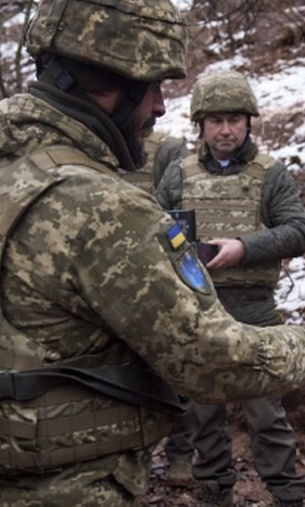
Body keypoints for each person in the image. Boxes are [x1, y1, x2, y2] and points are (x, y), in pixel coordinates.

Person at [0, 0, 305, 506]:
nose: (159, 107)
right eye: (154, 86)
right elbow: (206, 359)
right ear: (111, 81)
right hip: (76, 486)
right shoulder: (98, 205)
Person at [157, 69, 305, 507]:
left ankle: (287, 495)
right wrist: (179, 246)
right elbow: (157, 227)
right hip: (200, 309)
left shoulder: (270, 174)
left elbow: (298, 231)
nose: (225, 130)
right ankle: (212, 494)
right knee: (204, 416)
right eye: (216, 120)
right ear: (200, 125)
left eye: (234, 120)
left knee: (266, 414)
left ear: (248, 123)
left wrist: (244, 248)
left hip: (255, 311)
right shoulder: (178, 174)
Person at [121, 129, 199, 488]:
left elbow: (178, 214)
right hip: (102, 273)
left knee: (173, 366)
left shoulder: (167, 148)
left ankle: (180, 453)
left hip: (157, 273)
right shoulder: (87, 141)